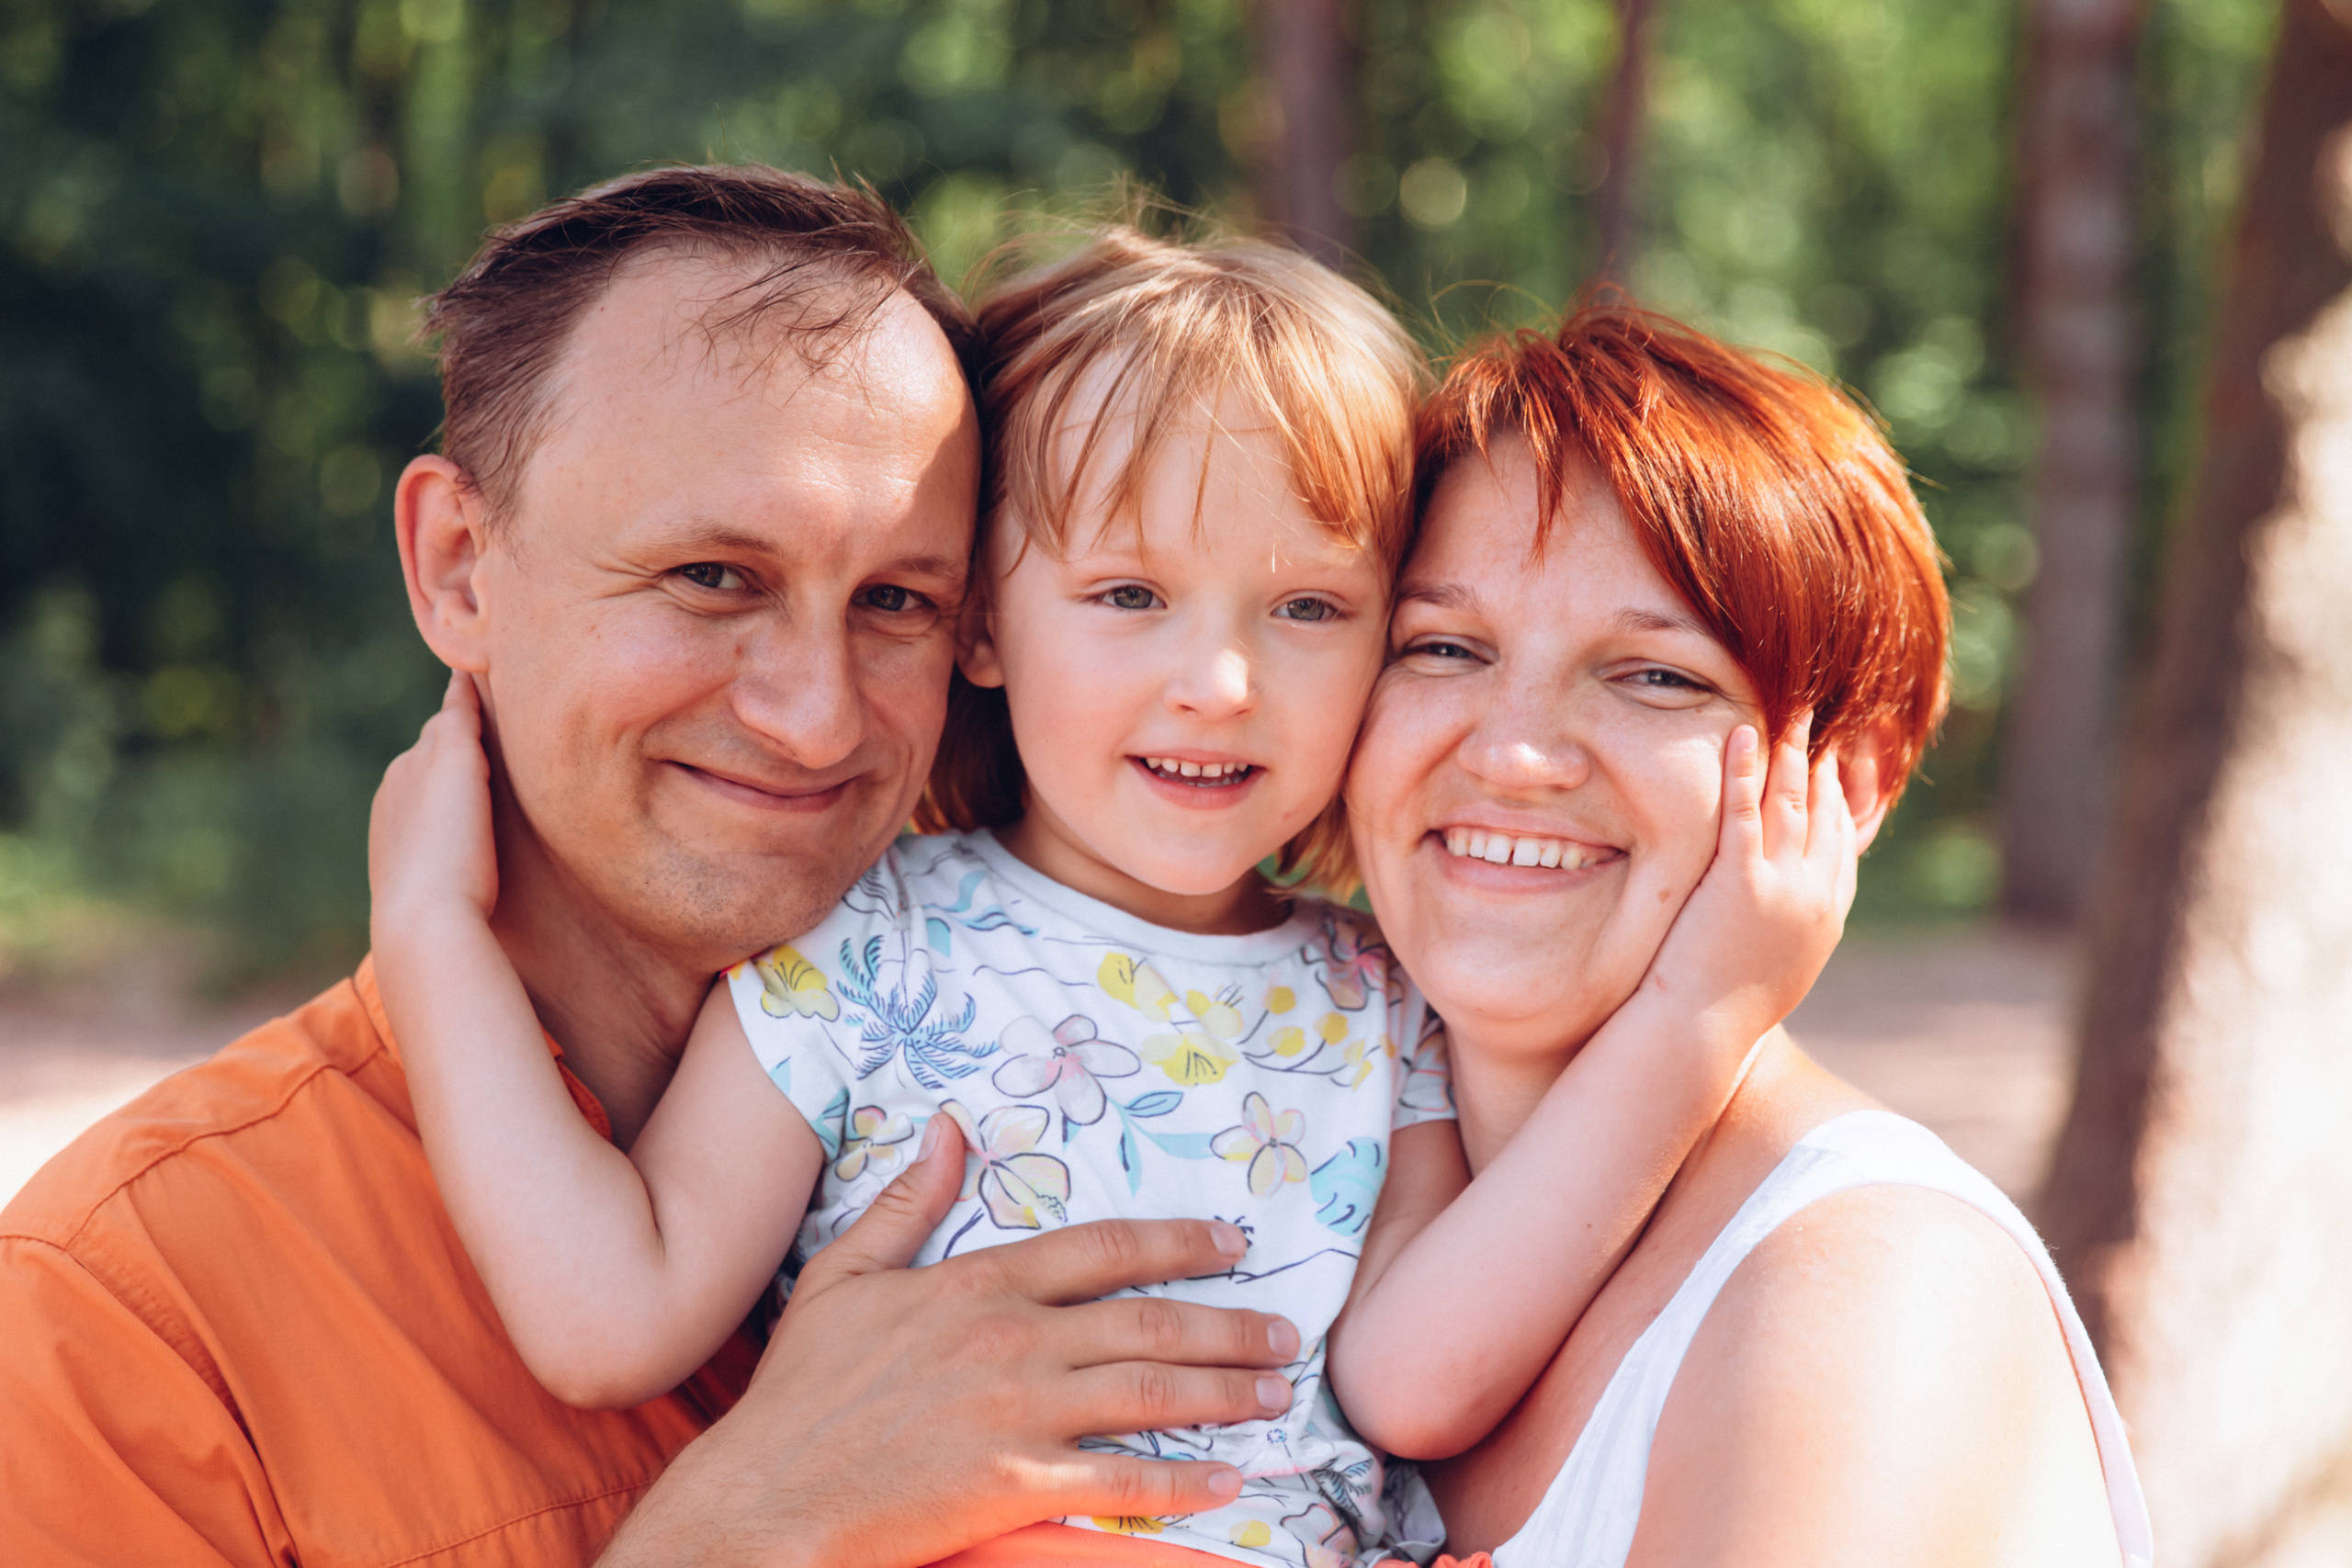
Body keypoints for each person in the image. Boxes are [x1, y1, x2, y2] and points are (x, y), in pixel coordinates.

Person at [365, 229, 1861, 1568]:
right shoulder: (870, 946)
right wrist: (433, 935)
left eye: (1309, 609)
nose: (1217, 685)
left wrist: (1697, 1015)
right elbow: (607, 1316)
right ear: (981, 627)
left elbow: (1414, 1379)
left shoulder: (1377, 994)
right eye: (1130, 597)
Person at [0, 167, 1322, 1567]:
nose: (816, 716)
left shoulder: (1174, 1098)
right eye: (713, 577)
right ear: (460, 567)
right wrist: (744, 1529)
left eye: (895, 601)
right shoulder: (127, 1317)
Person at [1341, 306, 2155, 1567]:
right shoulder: (1287, 1195)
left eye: (1655, 675)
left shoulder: (1865, 1286)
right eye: (1443, 648)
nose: (1508, 750)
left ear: (1857, 782)